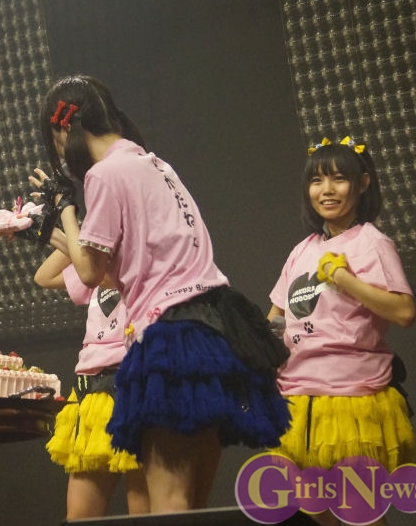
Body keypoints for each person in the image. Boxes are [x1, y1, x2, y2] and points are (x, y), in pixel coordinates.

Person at [33, 74, 290, 514]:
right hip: (216, 332)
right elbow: (127, 267)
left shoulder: (104, 174)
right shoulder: (155, 164)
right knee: (193, 505)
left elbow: (90, 272)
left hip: (170, 336)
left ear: (63, 129)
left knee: (168, 503)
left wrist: (66, 211)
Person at [267, 136, 416, 526]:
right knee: (313, 509)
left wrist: (346, 281)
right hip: (298, 398)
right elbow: (277, 316)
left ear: (363, 183)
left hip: (351, 398)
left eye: (339, 179)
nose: (327, 190)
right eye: (317, 180)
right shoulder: (302, 250)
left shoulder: (372, 243)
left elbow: (404, 312)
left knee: (359, 511)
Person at [29, 204, 149, 519]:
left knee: (145, 512)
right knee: (80, 515)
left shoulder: (139, 265)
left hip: (132, 388)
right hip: (91, 392)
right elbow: (44, 276)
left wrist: (69, 230)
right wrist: (76, 231)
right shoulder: (92, 271)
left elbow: (101, 273)